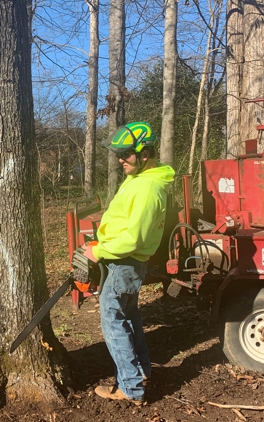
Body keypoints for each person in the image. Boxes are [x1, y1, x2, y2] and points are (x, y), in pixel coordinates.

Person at [83, 121, 175, 405]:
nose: (120, 159)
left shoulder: (148, 188)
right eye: (118, 154)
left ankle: (130, 388)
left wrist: (98, 252)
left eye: (126, 154)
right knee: (129, 316)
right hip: (121, 260)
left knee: (113, 321)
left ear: (144, 153)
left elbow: (134, 238)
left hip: (125, 261)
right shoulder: (138, 179)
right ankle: (142, 372)